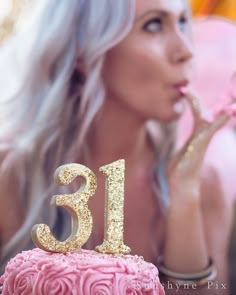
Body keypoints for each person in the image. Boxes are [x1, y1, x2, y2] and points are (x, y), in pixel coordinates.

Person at [0, 0, 236, 294]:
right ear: (83, 52)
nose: (186, 50)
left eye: (183, 22)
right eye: (154, 25)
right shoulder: (11, 175)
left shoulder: (203, 185)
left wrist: (184, 195)